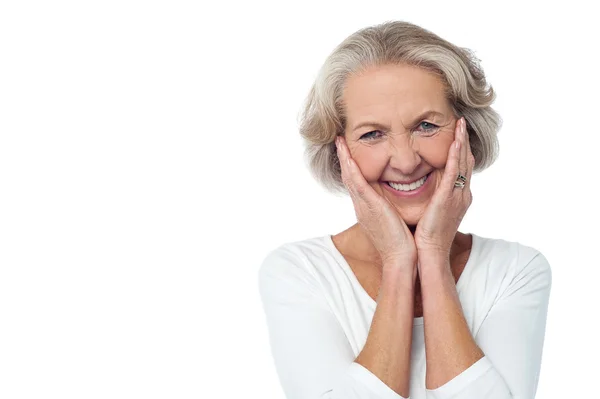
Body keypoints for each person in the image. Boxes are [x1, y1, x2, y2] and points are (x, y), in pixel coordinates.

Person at [257, 20, 552, 399]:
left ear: (468, 132)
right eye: (372, 134)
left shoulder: (516, 270)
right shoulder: (298, 272)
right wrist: (399, 259)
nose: (406, 160)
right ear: (339, 153)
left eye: (426, 125)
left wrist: (432, 253)